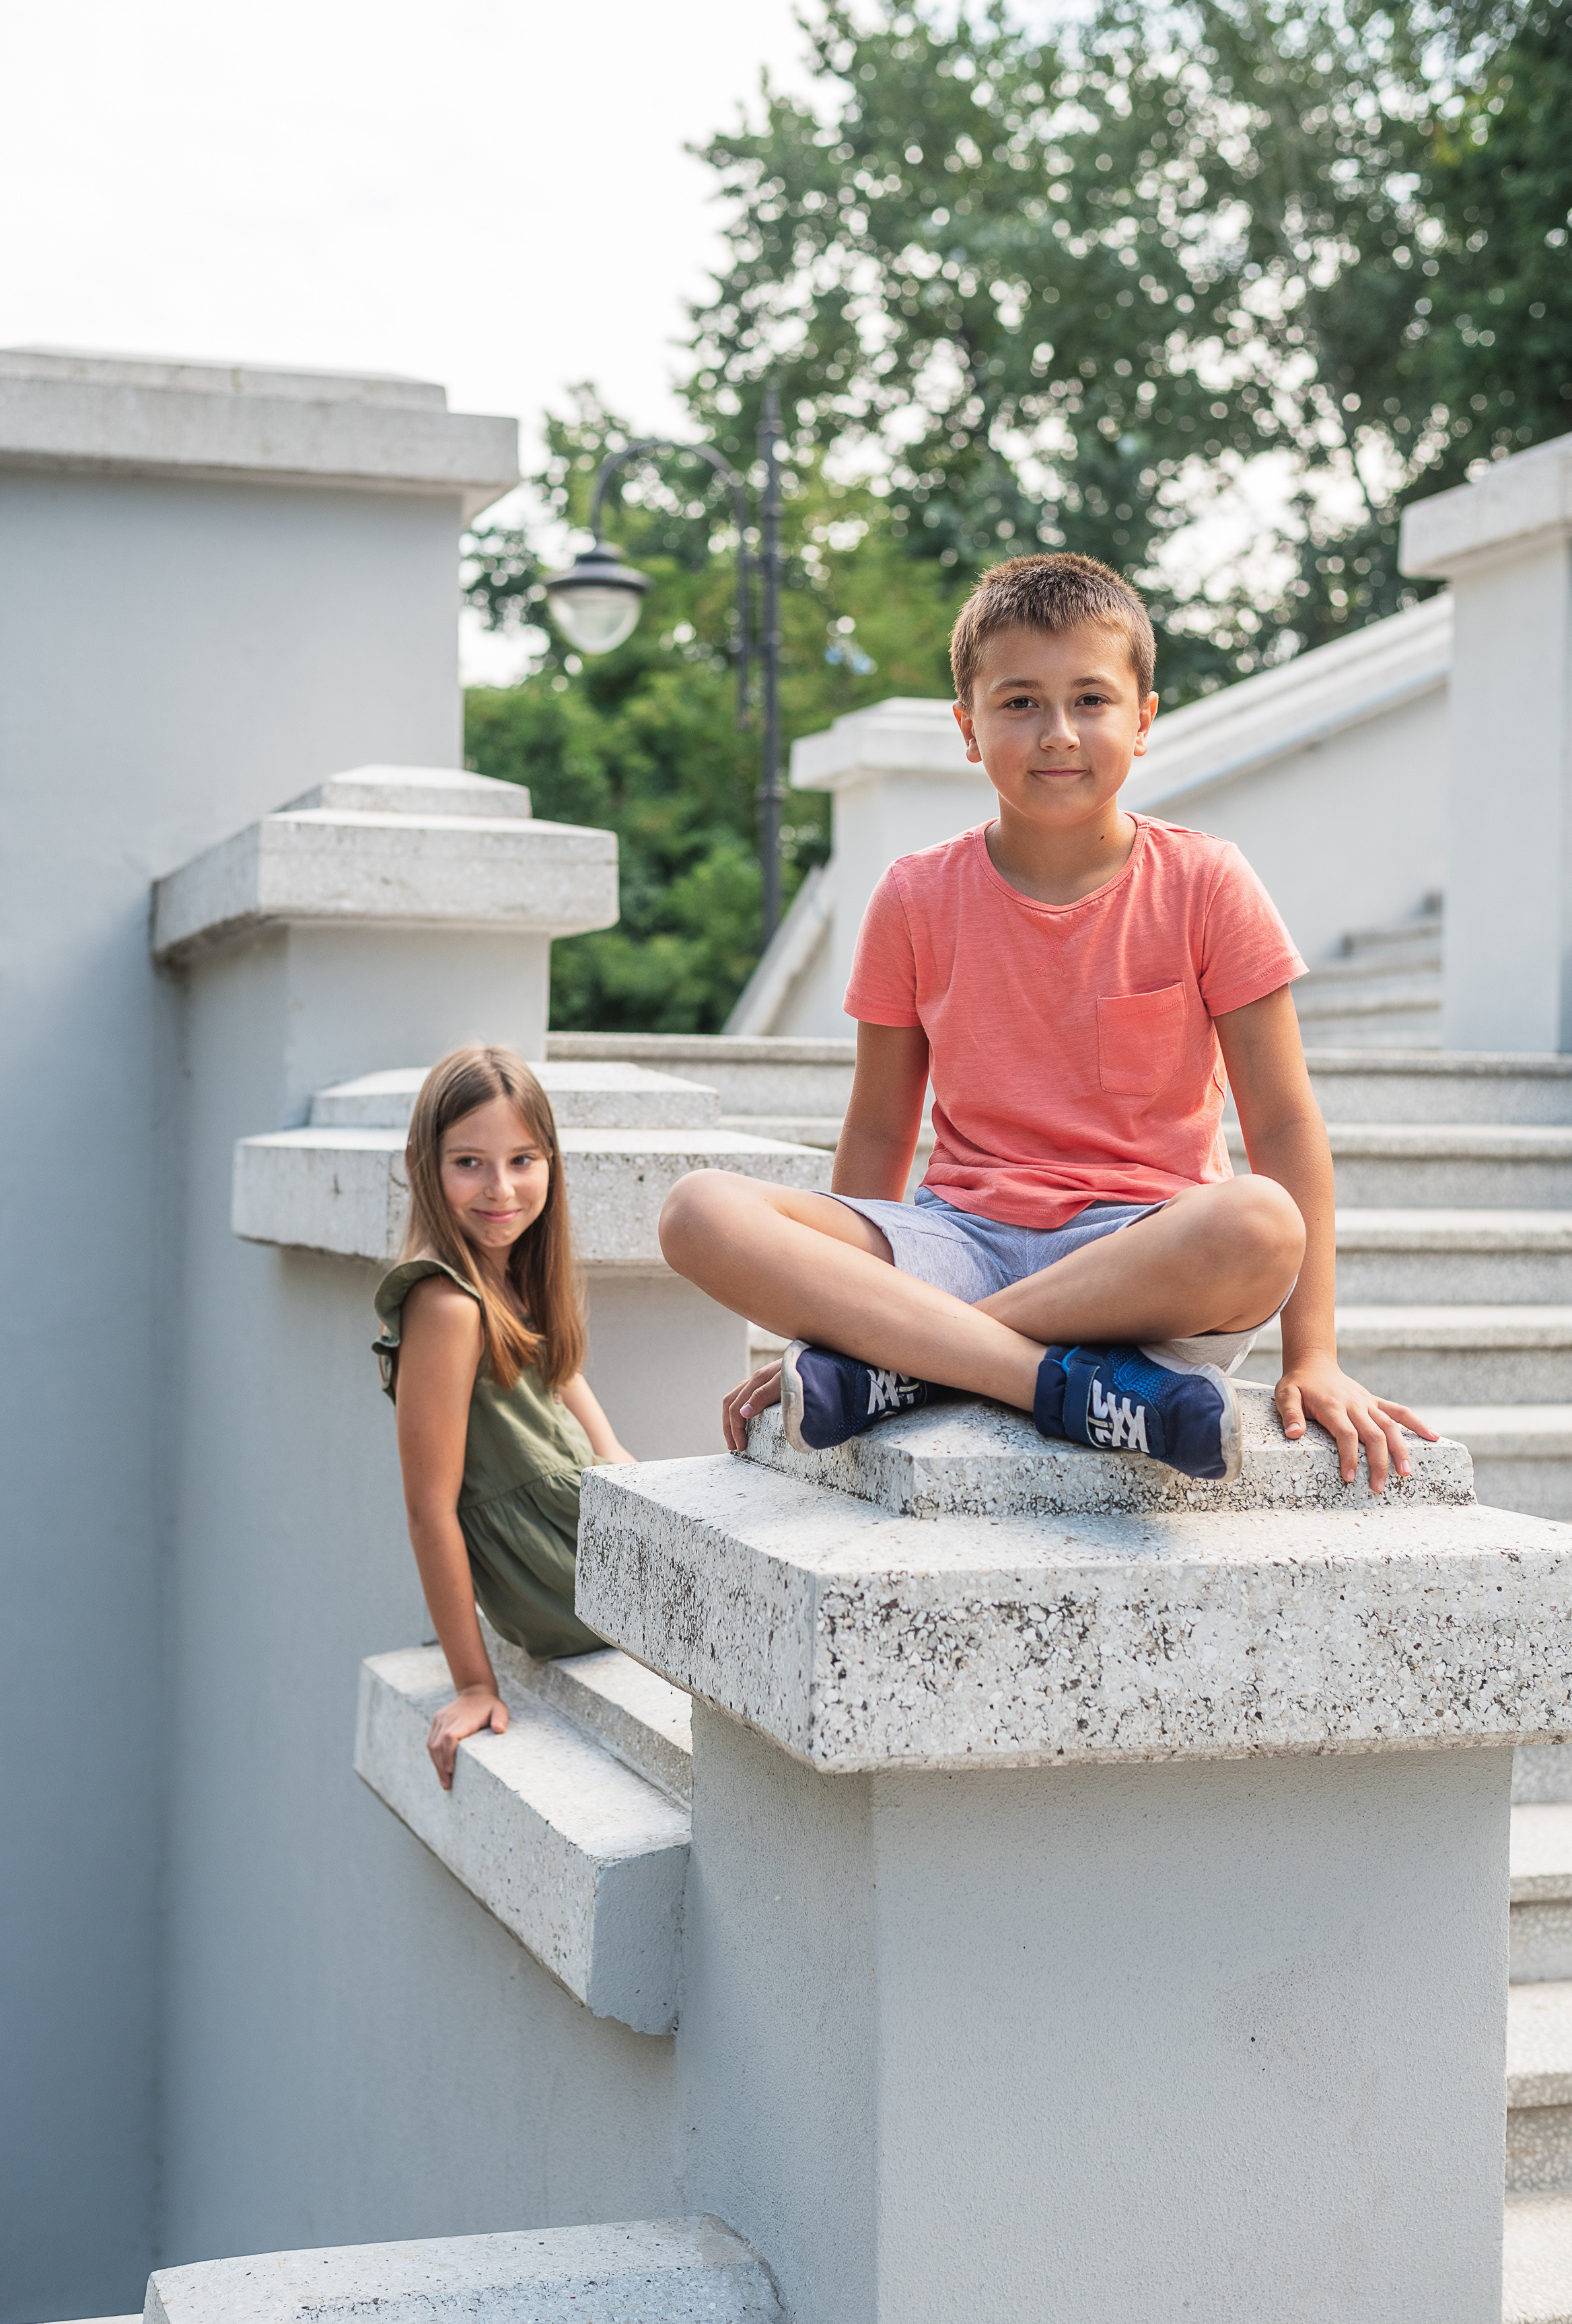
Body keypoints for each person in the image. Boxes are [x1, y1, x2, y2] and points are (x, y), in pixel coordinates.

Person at [661, 552, 1436, 1491]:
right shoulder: (913, 895)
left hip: (1143, 1264)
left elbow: (1281, 1124)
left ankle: (911, 1365)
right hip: (958, 1244)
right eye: (1020, 702)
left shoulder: (1206, 883)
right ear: (969, 728)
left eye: (1092, 701)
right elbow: (877, 1127)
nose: (1058, 733)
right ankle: (1045, 1380)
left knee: (1261, 1223)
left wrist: (1313, 1355)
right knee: (696, 1211)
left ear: (1143, 721)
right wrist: (824, 1319)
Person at [373, 1045, 633, 1790]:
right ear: (424, 1163)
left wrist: (634, 1483)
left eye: (523, 1159)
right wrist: (473, 1683)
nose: (501, 1189)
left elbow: (598, 1433)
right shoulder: (446, 1305)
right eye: (468, 1162)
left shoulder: (510, 1279)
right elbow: (429, 1507)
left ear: (551, 1162)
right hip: (556, 1578)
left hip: (582, 1539)